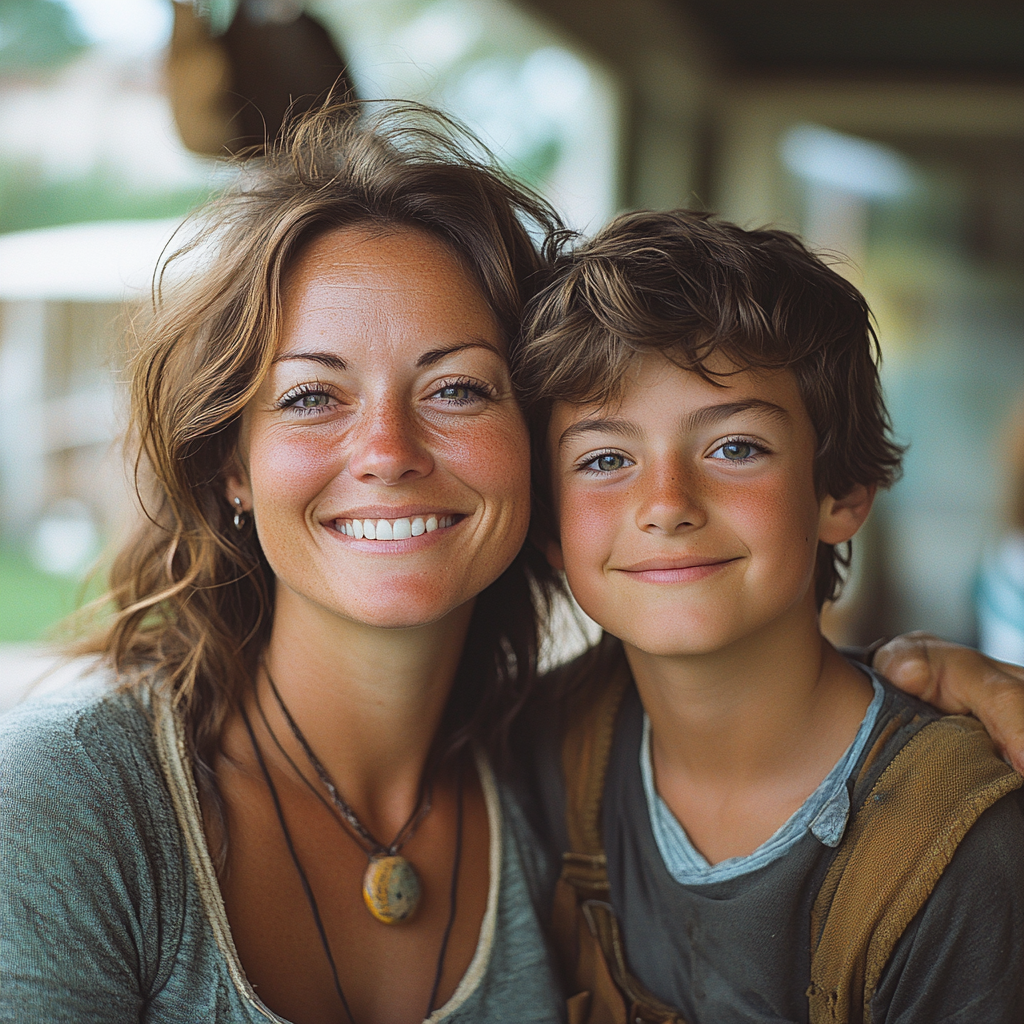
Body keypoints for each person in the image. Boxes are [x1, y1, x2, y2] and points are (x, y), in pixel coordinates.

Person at [0, 107, 1020, 1024]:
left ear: (531, 465)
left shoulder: (537, 775)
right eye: (313, 397)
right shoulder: (75, 808)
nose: (389, 449)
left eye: (455, 389)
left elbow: (771, 700)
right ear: (232, 463)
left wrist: (921, 677)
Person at [515, 209, 1024, 1023]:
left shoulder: (961, 844)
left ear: (842, 492)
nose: (666, 506)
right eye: (605, 460)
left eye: (735, 447)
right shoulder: (534, 753)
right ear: (549, 527)